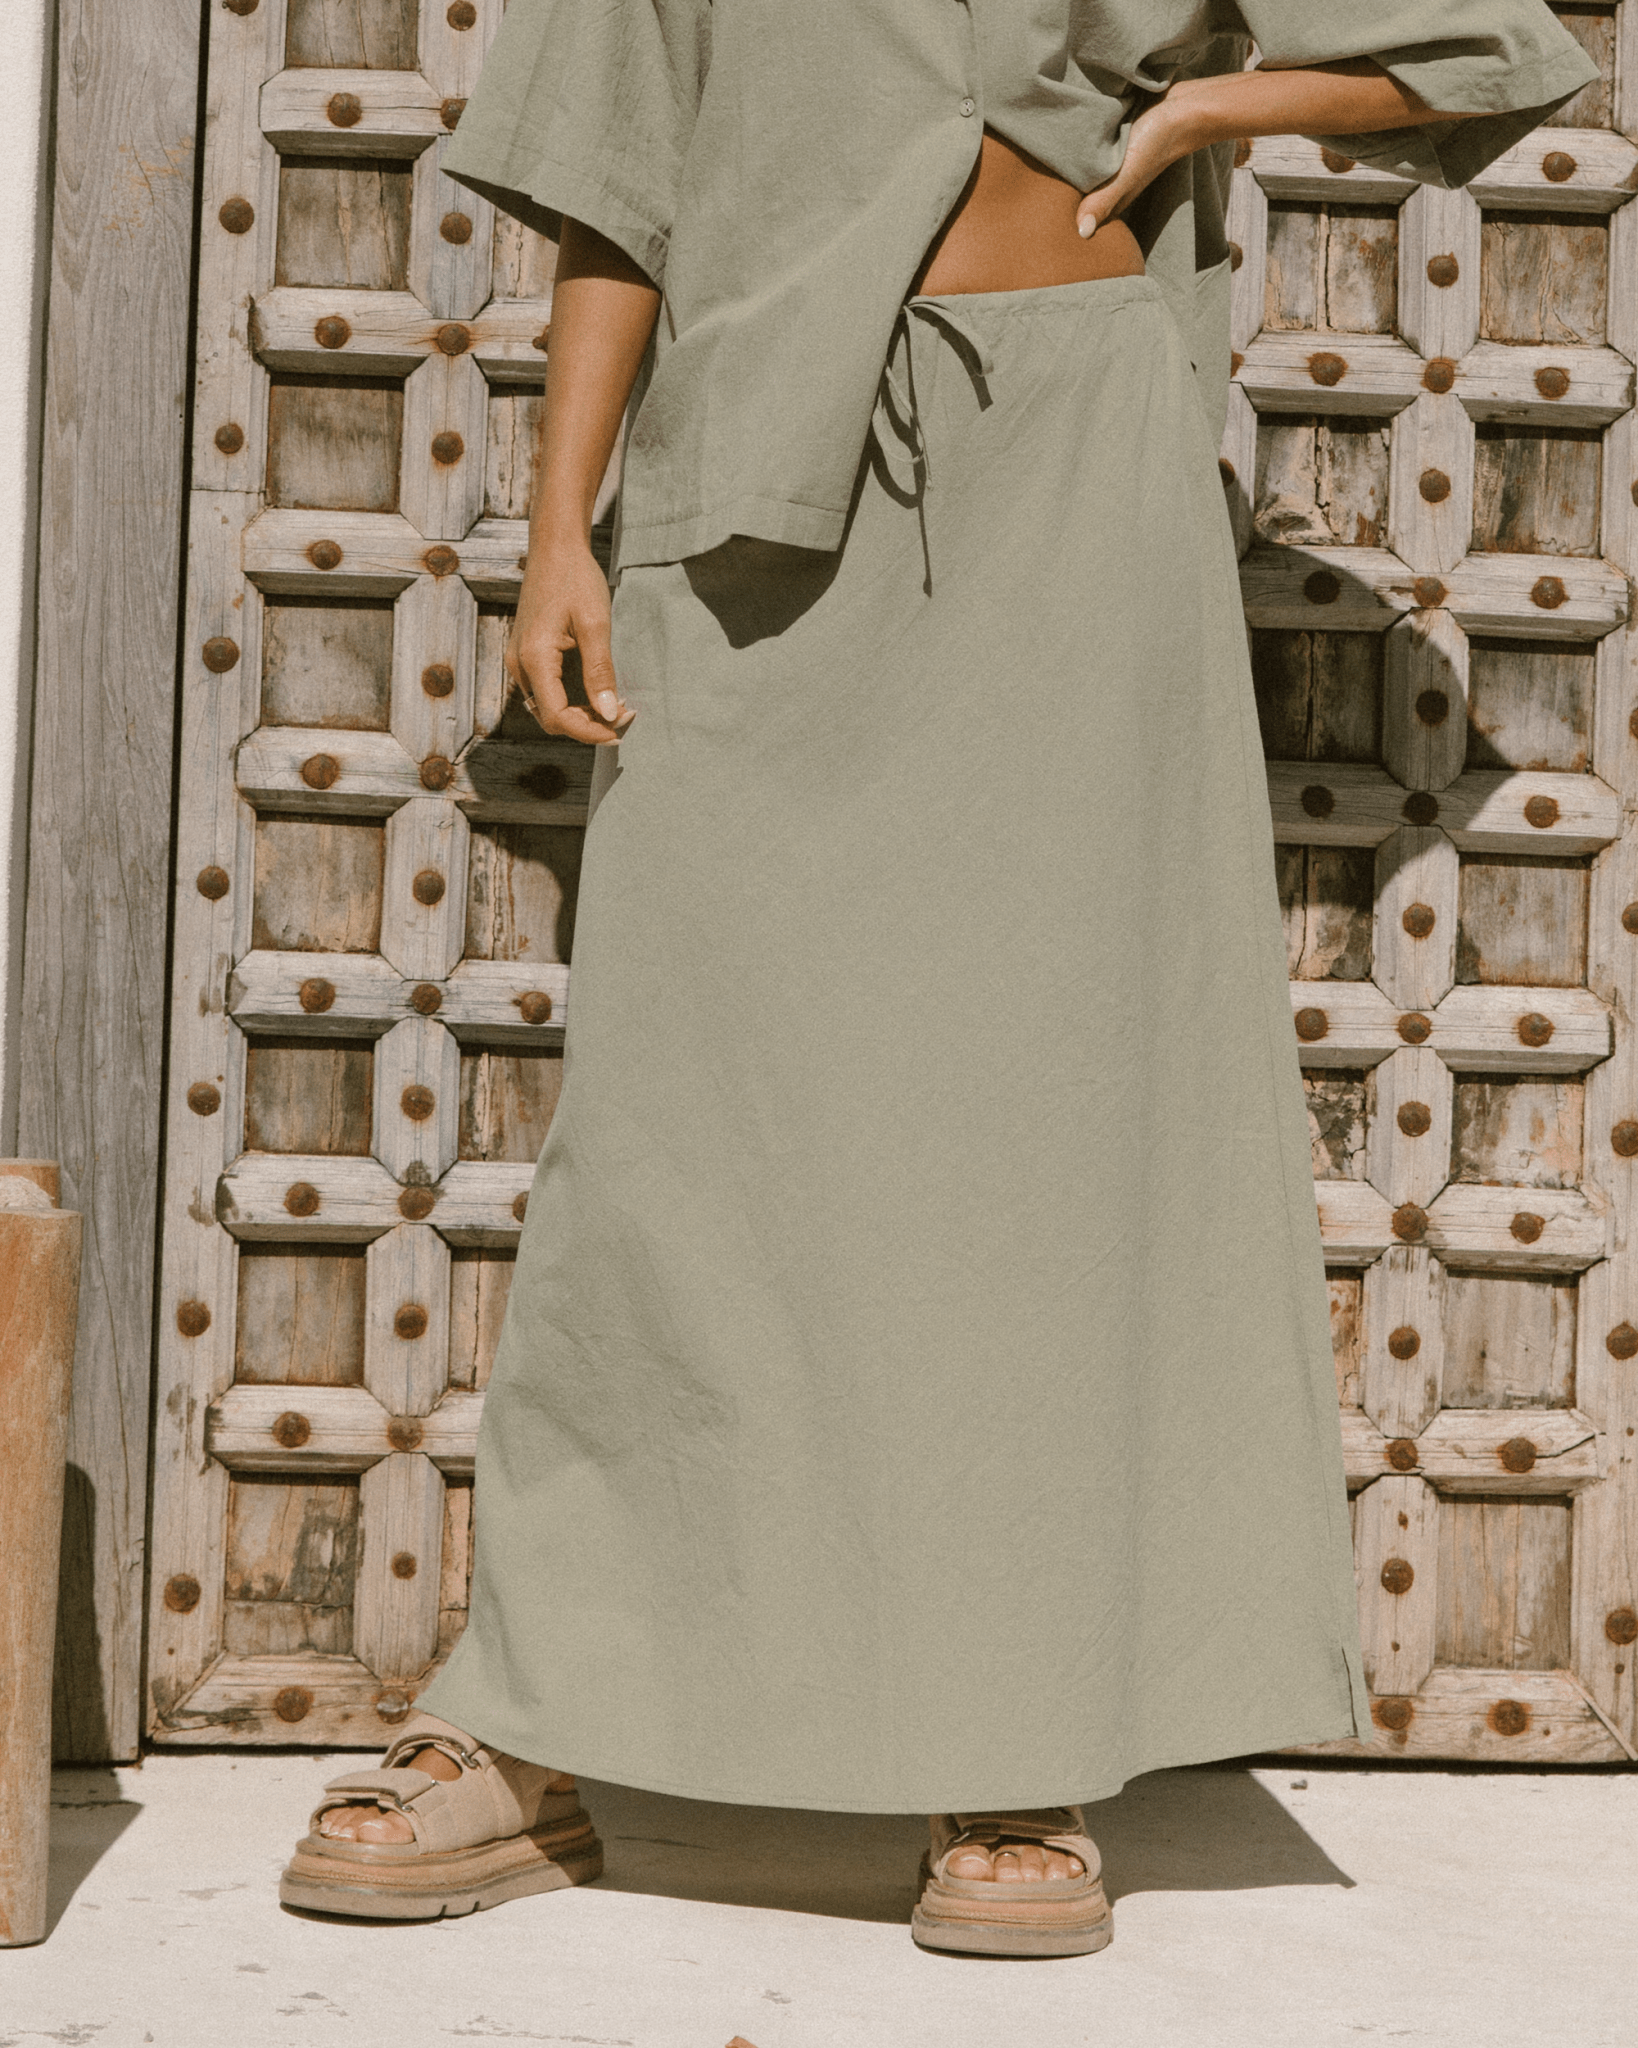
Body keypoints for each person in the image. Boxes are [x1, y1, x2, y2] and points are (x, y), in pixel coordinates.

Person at [280, 0, 1597, 1957]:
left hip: (1073, 481)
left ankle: (1008, 1746)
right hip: (752, 487)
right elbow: (617, 196)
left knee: (1026, 1135)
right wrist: (557, 529)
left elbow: (1495, 52)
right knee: (672, 1139)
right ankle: (532, 1728)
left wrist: (1213, 106)